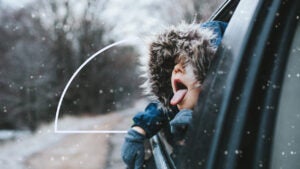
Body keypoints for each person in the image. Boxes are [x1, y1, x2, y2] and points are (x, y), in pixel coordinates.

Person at [121, 21, 227, 169]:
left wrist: (197, 133)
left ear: (214, 75)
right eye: (174, 65)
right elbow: (161, 109)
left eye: (187, 64)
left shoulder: (232, 116)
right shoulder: (174, 109)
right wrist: (139, 129)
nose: (176, 69)